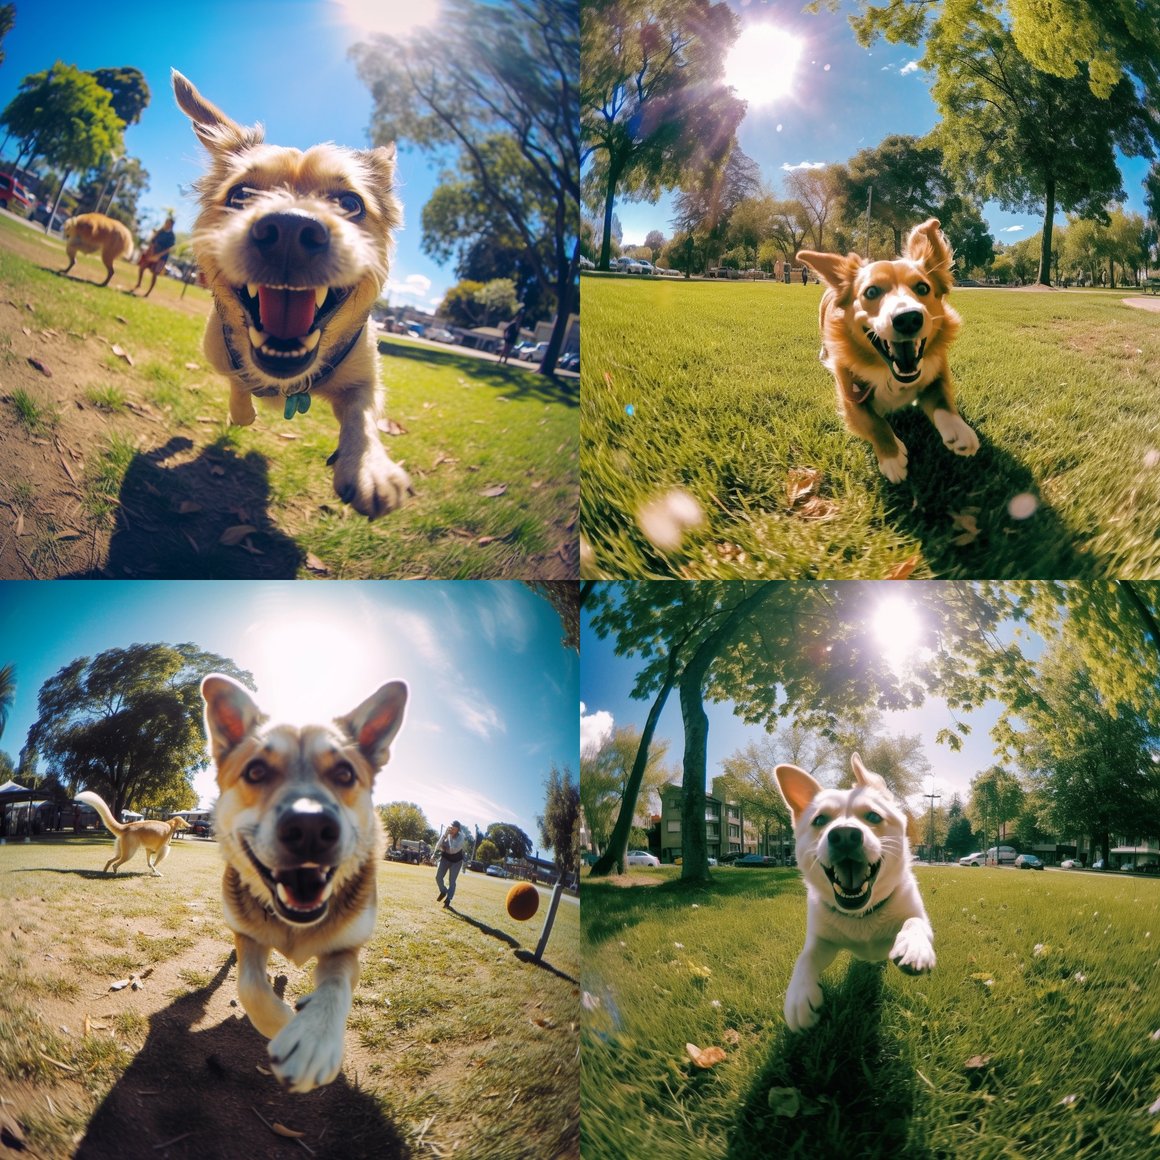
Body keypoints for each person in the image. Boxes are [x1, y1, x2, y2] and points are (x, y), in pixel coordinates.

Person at [132, 216, 176, 297]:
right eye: (166, 222)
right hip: (151, 254)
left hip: (161, 258)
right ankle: (138, 284)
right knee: (142, 267)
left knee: (155, 274)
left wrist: (158, 256)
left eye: (168, 223)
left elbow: (169, 249)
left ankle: (148, 292)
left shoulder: (171, 236)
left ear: (172, 225)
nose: (166, 224)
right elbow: (152, 241)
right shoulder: (160, 231)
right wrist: (151, 252)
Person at [435, 820, 466, 908]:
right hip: (445, 858)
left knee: (452, 881)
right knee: (438, 877)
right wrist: (444, 835)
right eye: (451, 828)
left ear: (458, 830)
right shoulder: (446, 834)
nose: (452, 830)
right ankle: (444, 891)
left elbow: (453, 850)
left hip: (456, 861)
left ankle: (448, 899)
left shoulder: (461, 837)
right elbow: (438, 846)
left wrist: (444, 847)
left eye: (454, 829)